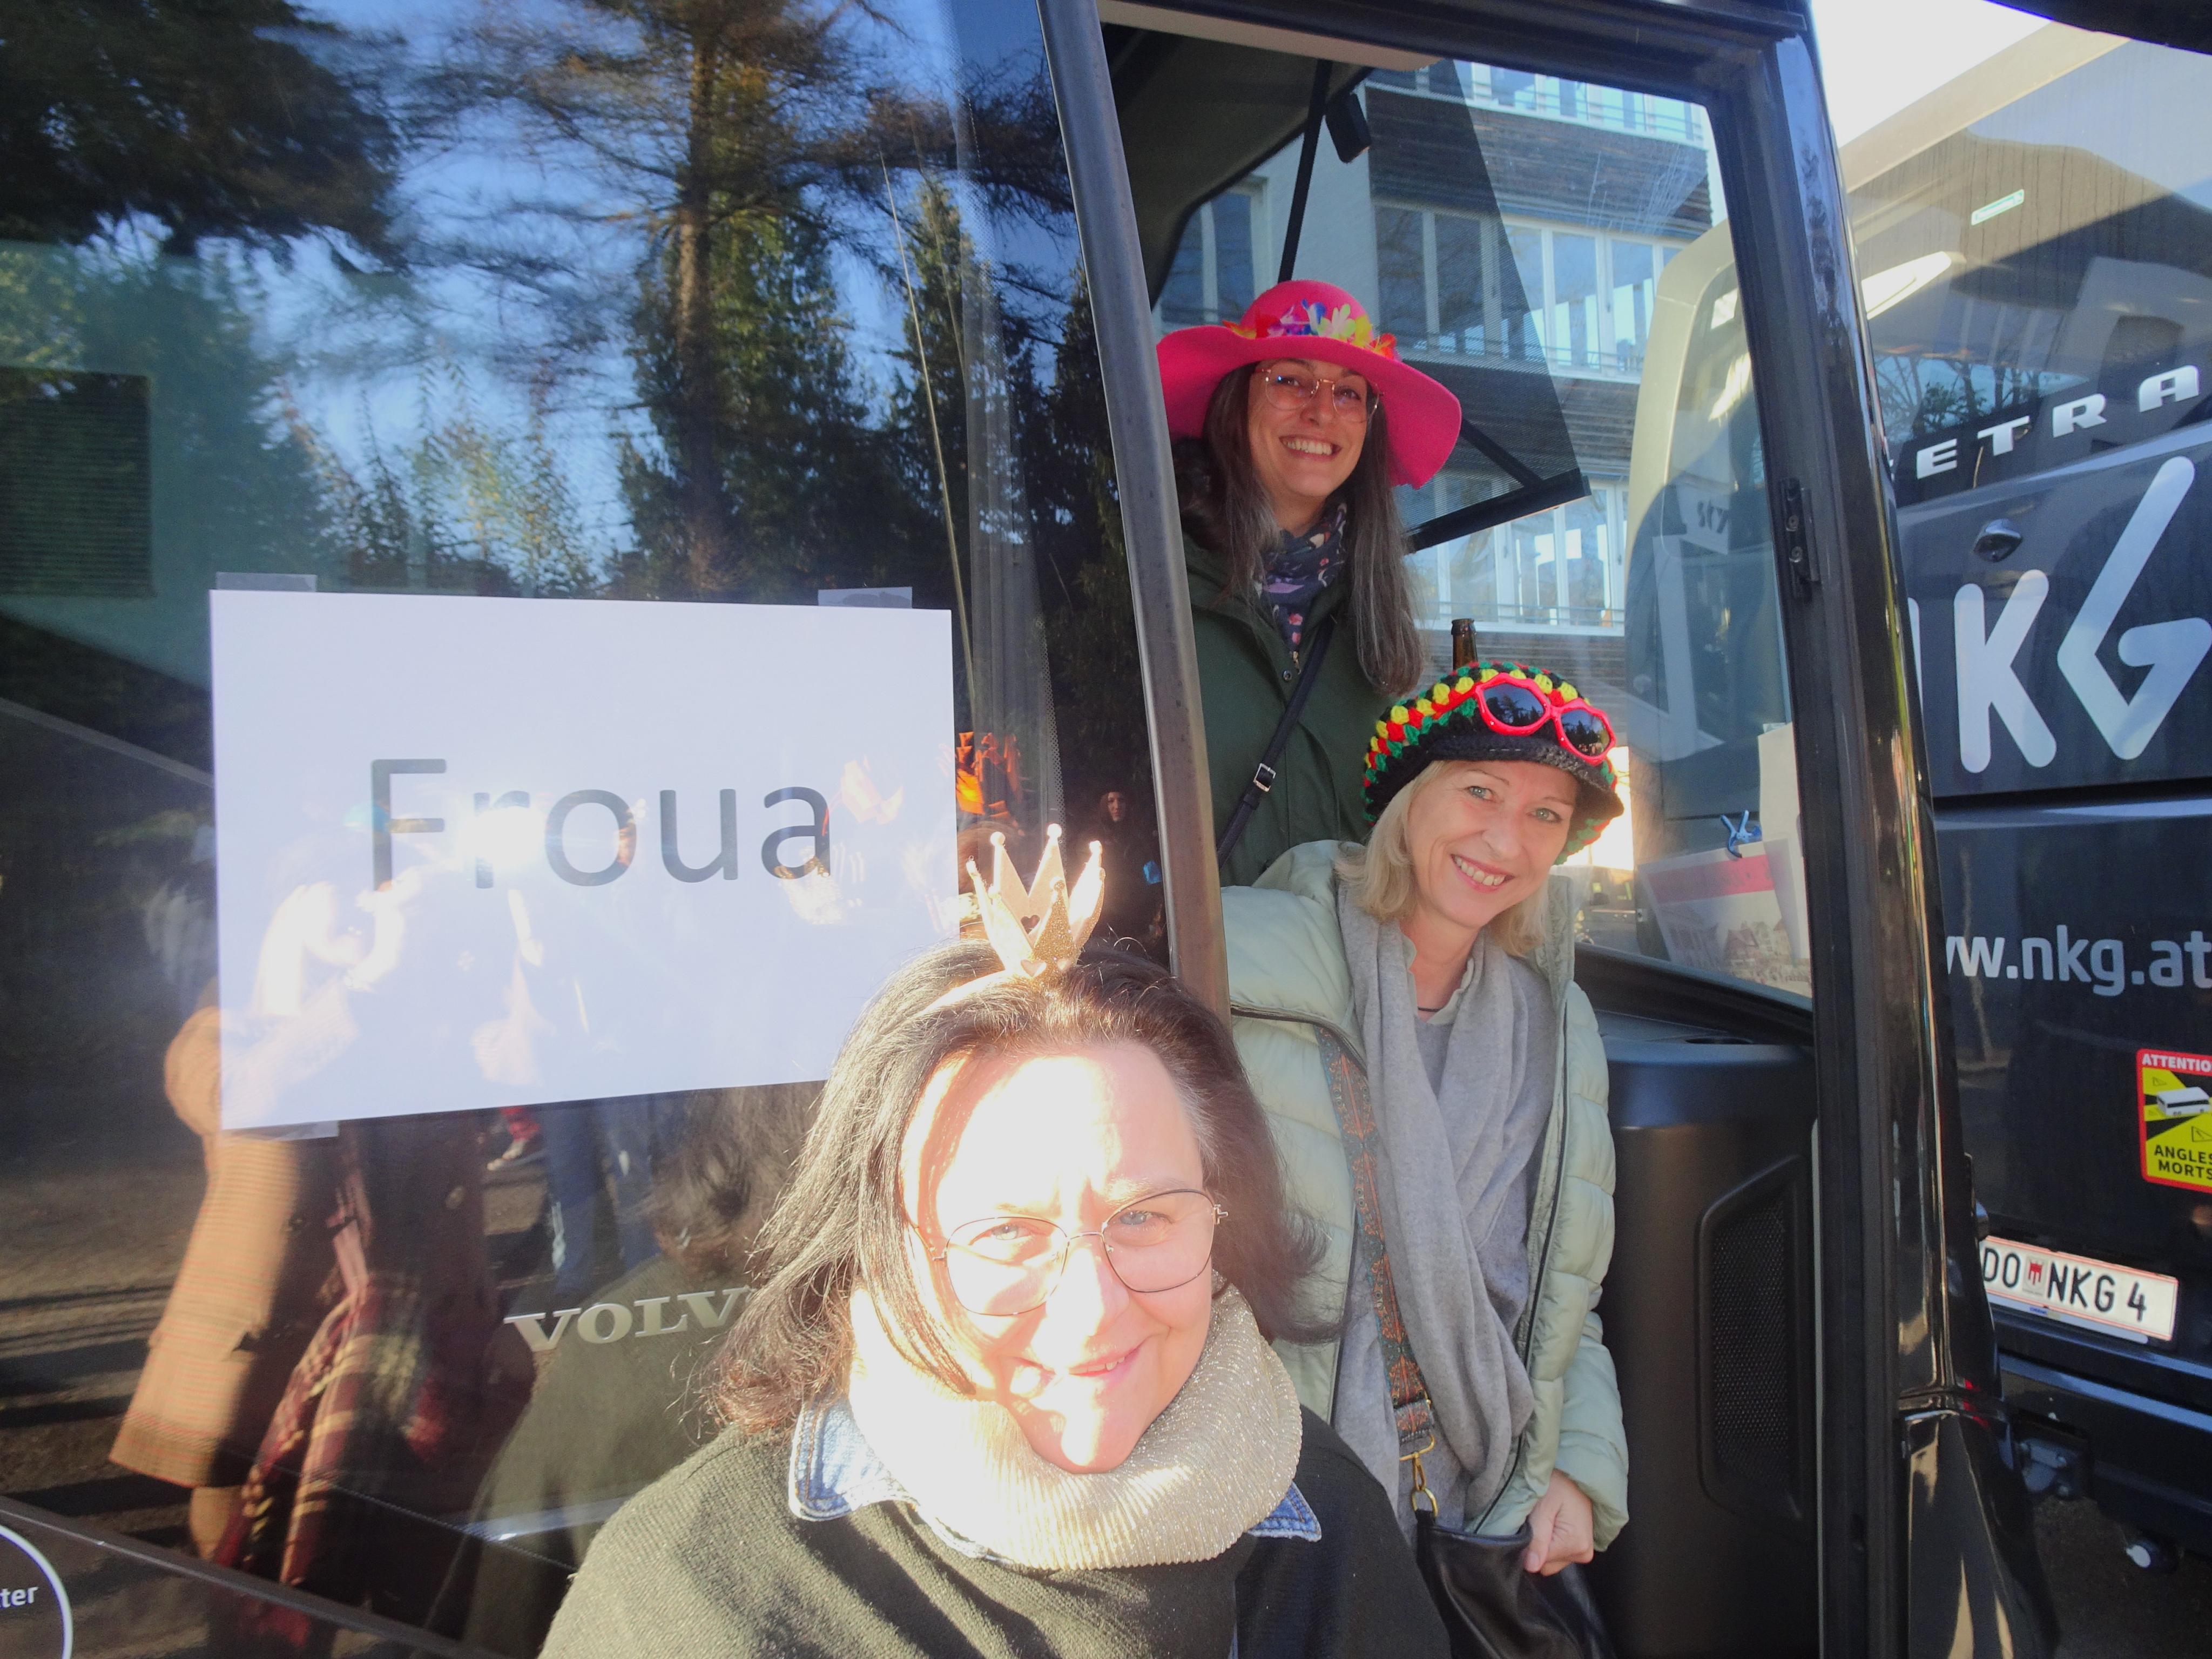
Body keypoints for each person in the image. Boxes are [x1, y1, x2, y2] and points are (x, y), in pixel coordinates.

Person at [543, 841, 1447, 1659]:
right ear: (877, 1248)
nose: (1092, 1310)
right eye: (1006, 1233)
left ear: (1224, 1220)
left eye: (1144, 1217)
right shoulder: (690, 1600)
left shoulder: (1324, 1509)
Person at [1220, 660, 1630, 1580]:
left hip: (1479, 1508)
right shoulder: (1238, 963)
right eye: (1479, 791)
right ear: (1409, 801)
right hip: (1274, 1500)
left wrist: (1575, 1465)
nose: (1505, 839)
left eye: (1545, 814)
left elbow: (1559, 1284)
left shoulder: (1553, 1025)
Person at [1159, 278, 1464, 885]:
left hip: (1339, 947)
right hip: (1185, 946)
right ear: (1234, 401)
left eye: (1349, 393)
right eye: (1290, 381)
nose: (1321, 413)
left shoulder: (1376, 617)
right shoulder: (1151, 582)